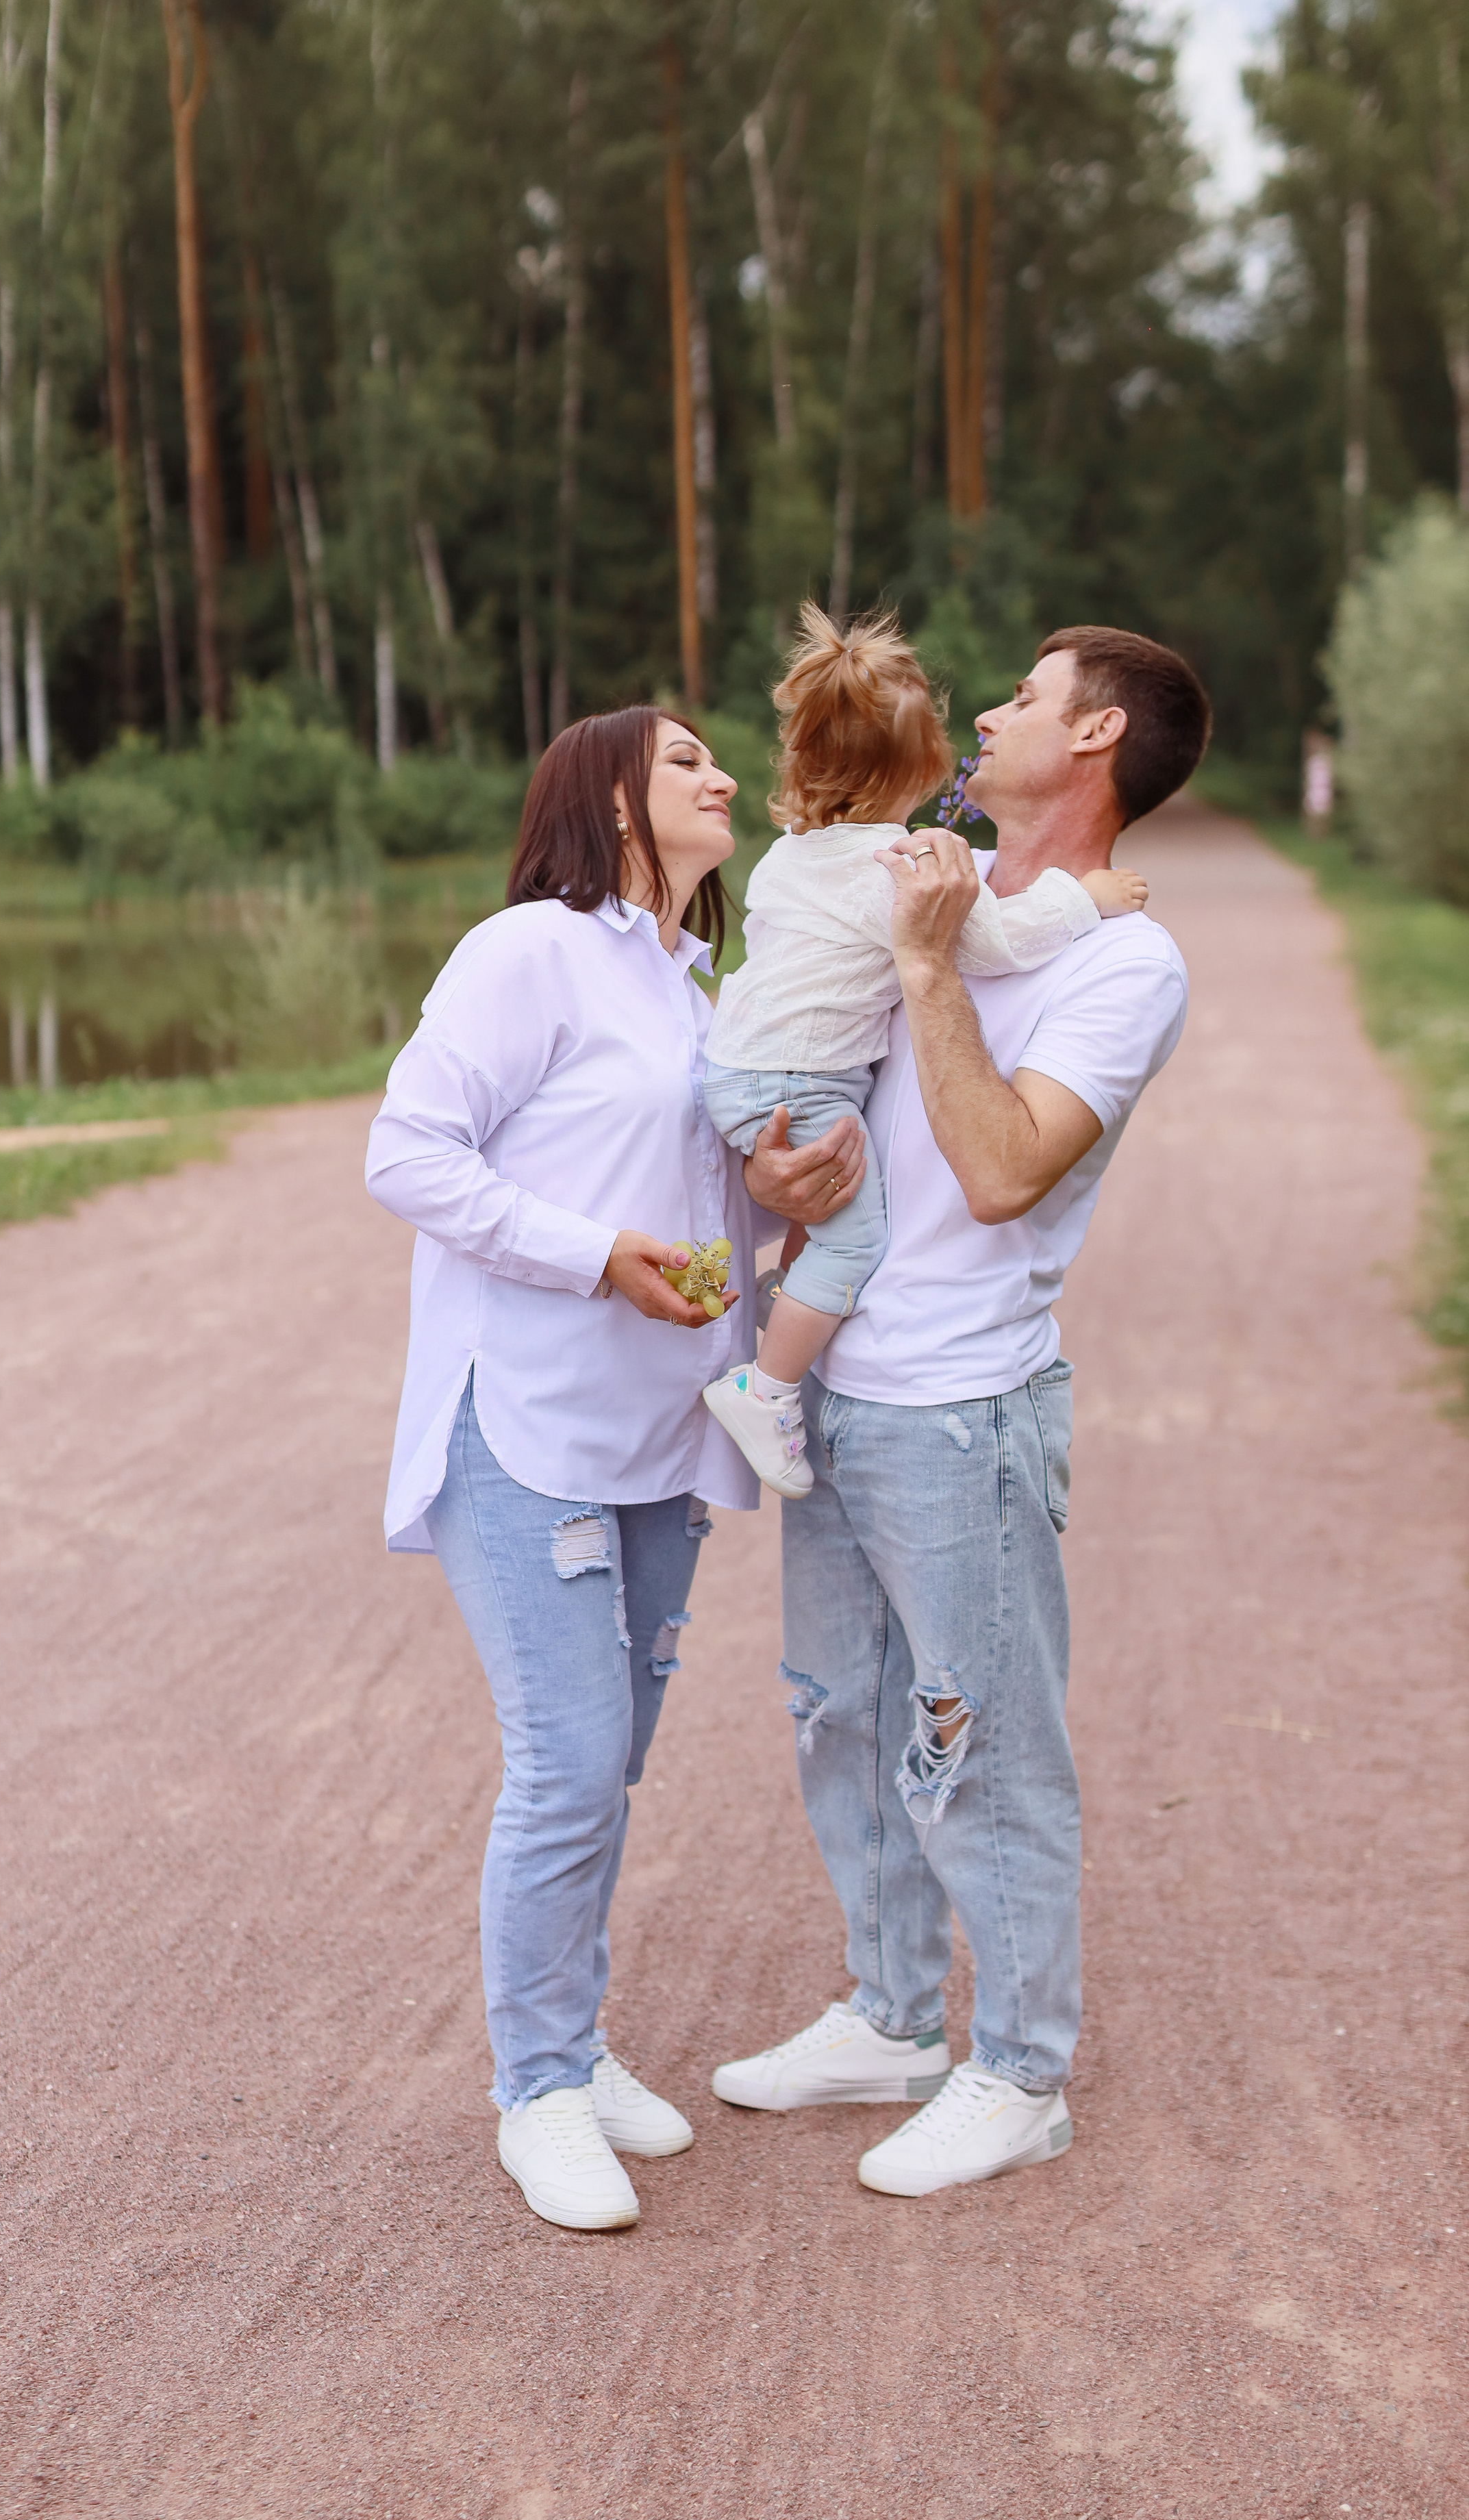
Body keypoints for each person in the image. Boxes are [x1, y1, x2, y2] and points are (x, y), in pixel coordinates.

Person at [712, 625, 1210, 2197]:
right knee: (840, 1718)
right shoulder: (922, 879)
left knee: (976, 1746)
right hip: (838, 1387)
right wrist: (773, 1169)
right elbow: (806, 1082)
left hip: (960, 1407)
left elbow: (998, 1172)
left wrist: (930, 966)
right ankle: (889, 2018)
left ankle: (1019, 2073)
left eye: (1023, 698)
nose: (985, 714)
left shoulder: (1117, 962)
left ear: (1094, 738)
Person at [364, 706, 865, 2234]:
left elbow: (691, 1204)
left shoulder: (698, 984)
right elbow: (407, 1153)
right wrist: (595, 1258)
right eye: (688, 761)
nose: (726, 777)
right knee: (569, 1762)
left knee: (611, 1760)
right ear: (614, 801)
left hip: (659, 1431)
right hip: (523, 1419)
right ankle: (536, 2092)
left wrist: (778, 1194)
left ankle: (575, 2049)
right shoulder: (528, 951)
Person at [700, 605, 1147, 1500]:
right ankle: (767, 1386)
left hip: (741, 1066)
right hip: (802, 1078)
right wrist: (1085, 897)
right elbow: (997, 944)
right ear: (918, 770)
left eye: (1023, 700)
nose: (984, 722)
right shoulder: (902, 870)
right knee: (852, 1243)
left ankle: (781, 1328)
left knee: (826, 1225)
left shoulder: (790, 857)